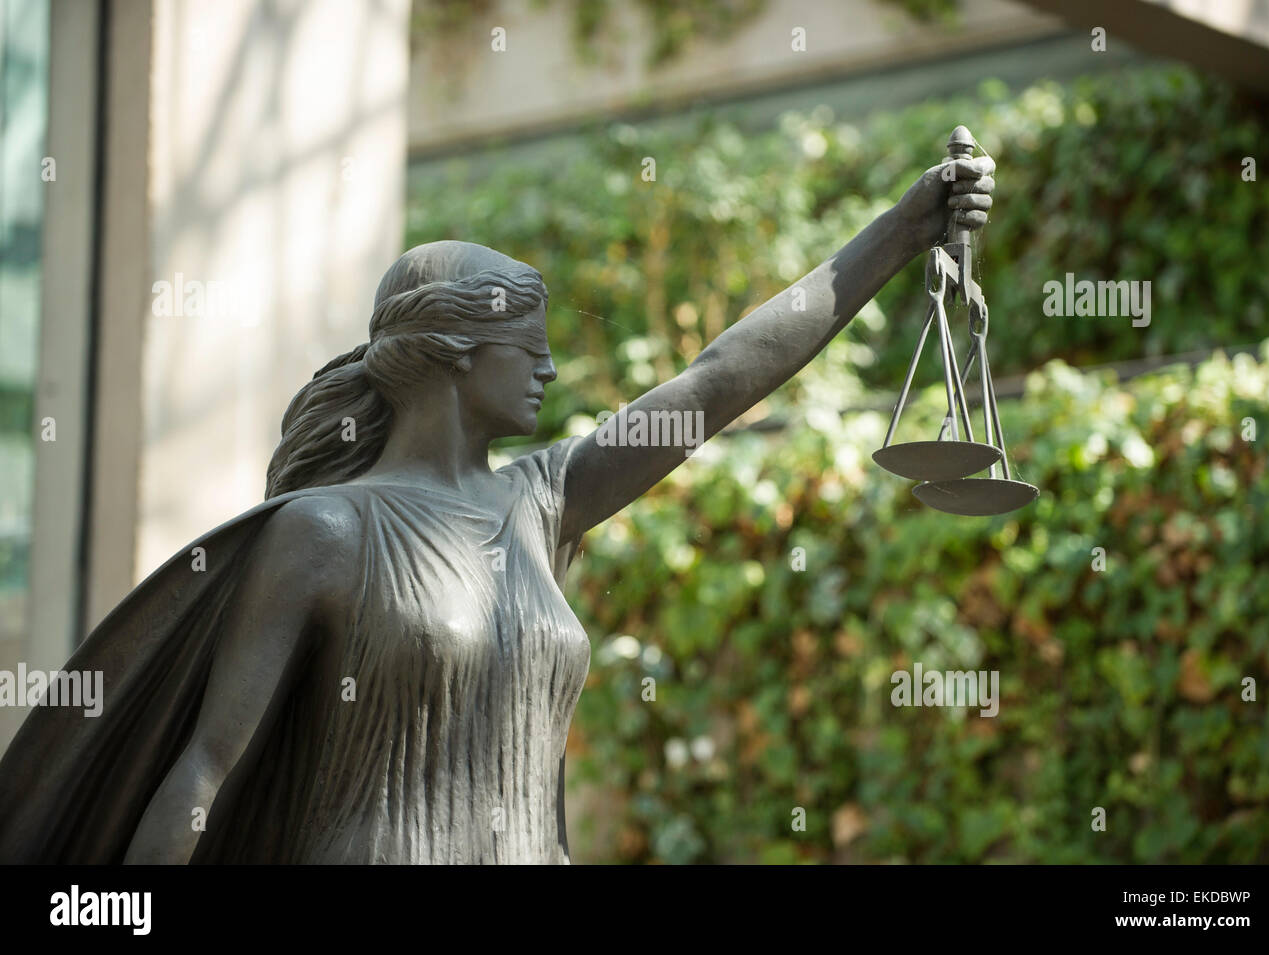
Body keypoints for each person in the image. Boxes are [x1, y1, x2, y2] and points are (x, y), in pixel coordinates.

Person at [0, 149, 995, 863]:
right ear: (455, 353)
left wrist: (899, 235)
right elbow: (207, 772)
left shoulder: (543, 500)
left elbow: (720, 375)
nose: (552, 369)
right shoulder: (324, 533)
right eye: (531, 347)